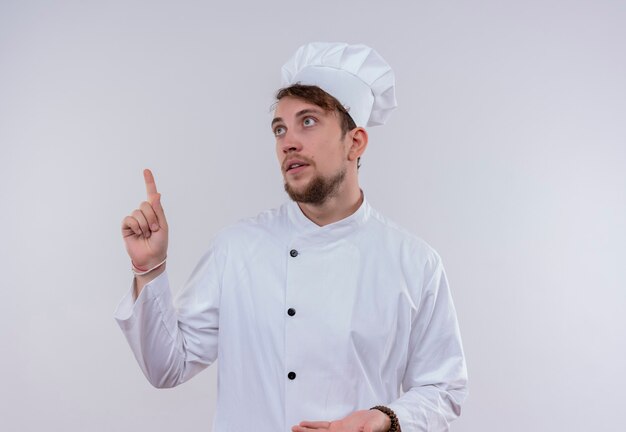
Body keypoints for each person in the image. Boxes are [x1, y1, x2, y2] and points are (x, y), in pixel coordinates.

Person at [115, 42, 468, 432]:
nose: (288, 141)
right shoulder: (237, 249)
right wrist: (149, 269)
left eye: (309, 121)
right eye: (280, 129)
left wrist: (385, 418)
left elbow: (443, 387)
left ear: (355, 142)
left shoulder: (415, 263)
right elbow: (168, 367)